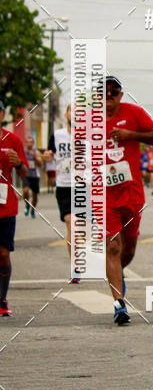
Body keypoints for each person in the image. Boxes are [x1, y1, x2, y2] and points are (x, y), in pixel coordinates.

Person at [102, 76, 153, 325]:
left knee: (128, 249)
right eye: (103, 92)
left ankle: (117, 273)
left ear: (121, 94)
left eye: (113, 92)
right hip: (103, 195)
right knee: (112, 247)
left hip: (132, 192)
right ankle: (119, 303)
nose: (109, 96)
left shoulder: (134, 112)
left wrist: (130, 134)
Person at [44, 104, 79, 284]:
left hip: (83, 186)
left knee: (80, 229)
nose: (74, 113)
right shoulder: (57, 135)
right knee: (70, 223)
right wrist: (47, 155)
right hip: (64, 185)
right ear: (66, 114)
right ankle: (75, 266)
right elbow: (49, 153)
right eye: (71, 110)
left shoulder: (88, 135)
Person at [0, 101, 29, 316]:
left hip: (5, 206)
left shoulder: (13, 140)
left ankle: (2, 300)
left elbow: (24, 173)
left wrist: (18, 163)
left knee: (3, 253)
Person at [22, 135, 42, 218]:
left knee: (35, 195)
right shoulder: (23, 152)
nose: (29, 144)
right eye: (27, 142)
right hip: (26, 175)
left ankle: (33, 209)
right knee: (25, 191)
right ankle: (27, 204)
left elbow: (40, 164)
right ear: (25, 143)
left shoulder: (36, 152)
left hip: (35, 175)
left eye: (31, 142)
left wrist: (34, 156)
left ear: (33, 143)